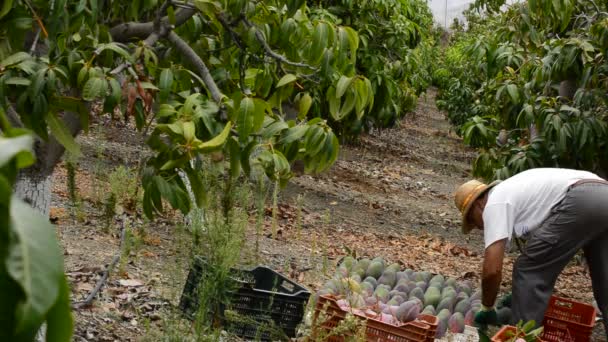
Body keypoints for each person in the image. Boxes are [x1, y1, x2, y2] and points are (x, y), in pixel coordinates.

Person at [453, 168, 608, 336]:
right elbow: (547, 254)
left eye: (472, 220)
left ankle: (522, 337)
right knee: (604, 278)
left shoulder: (495, 203)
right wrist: (520, 293)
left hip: (581, 199)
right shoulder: (518, 194)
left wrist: (487, 307)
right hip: (602, 192)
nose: (478, 226)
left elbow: (492, 270)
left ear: (478, 205)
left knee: (527, 269)